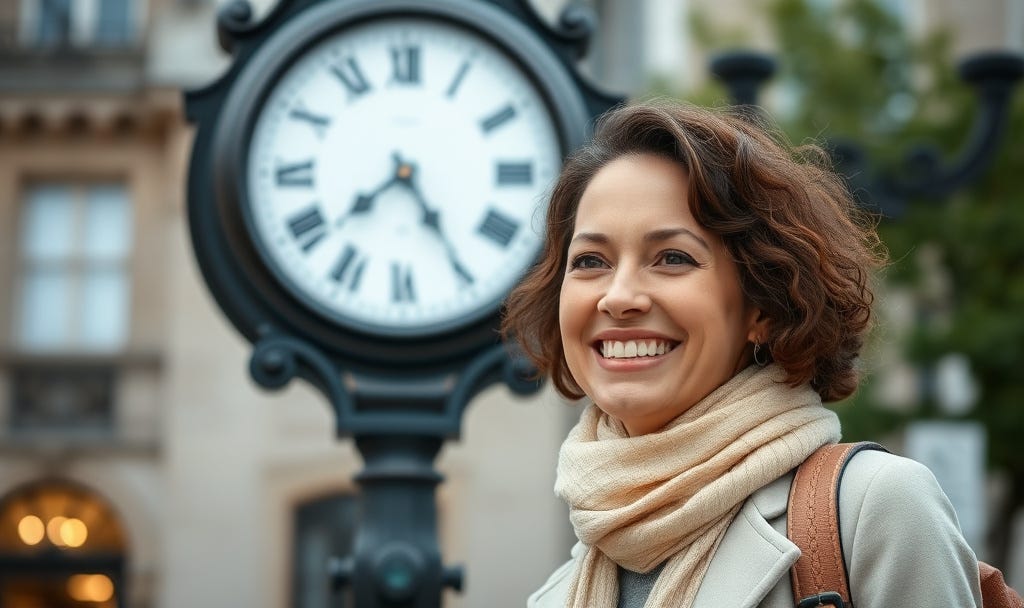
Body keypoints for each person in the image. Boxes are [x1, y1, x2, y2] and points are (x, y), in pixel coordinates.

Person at [501, 100, 981, 607]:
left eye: (672, 258)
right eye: (591, 260)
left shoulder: (874, 511)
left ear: (763, 305)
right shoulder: (554, 597)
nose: (618, 297)